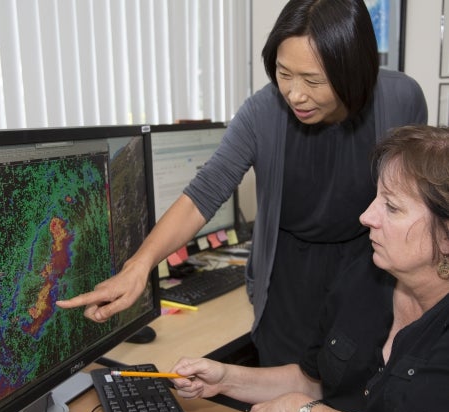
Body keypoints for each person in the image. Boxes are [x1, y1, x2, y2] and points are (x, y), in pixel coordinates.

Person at [56, 0, 428, 366]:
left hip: (368, 272)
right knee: (281, 405)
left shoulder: (400, 99)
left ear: (352, 71)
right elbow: (204, 193)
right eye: (284, 73)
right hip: (287, 280)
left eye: (313, 80)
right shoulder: (261, 113)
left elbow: (418, 205)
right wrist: (140, 265)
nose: (295, 94)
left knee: (358, 400)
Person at [170, 125, 449, 412]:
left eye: (392, 207)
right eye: (376, 198)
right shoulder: (366, 276)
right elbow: (314, 380)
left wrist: (297, 410)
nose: (366, 216)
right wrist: (224, 378)